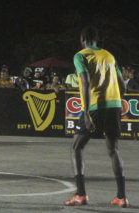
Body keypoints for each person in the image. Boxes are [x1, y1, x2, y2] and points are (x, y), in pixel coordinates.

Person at [65, 26, 129, 207]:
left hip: (95, 105)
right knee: (113, 150)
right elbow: (122, 85)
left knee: (76, 147)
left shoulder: (81, 56)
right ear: (97, 39)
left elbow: (85, 82)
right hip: (114, 105)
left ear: (83, 38)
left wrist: (86, 112)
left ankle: (81, 195)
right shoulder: (109, 56)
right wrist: (117, 102)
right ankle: (122, 197)